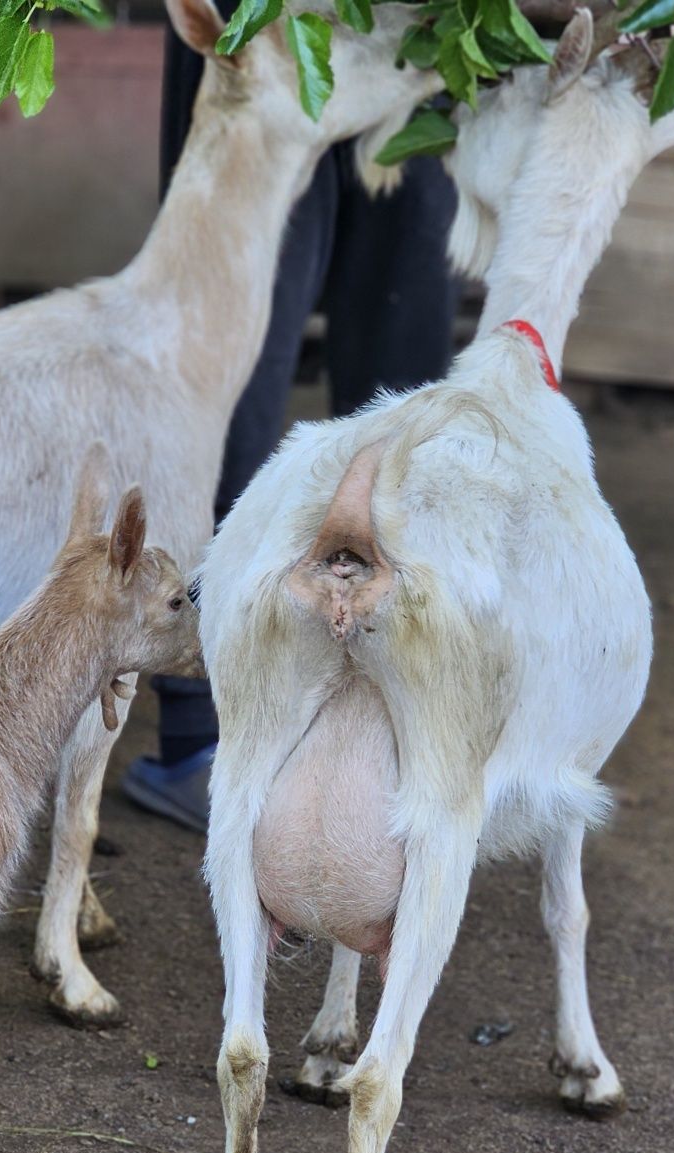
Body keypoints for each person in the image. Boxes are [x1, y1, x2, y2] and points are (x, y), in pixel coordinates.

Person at [118, 9, 462, 833]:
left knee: (403, 380)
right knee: (231, 371)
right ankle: (201, 733)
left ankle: (372, 722)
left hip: (427, 31)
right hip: (266, 20)